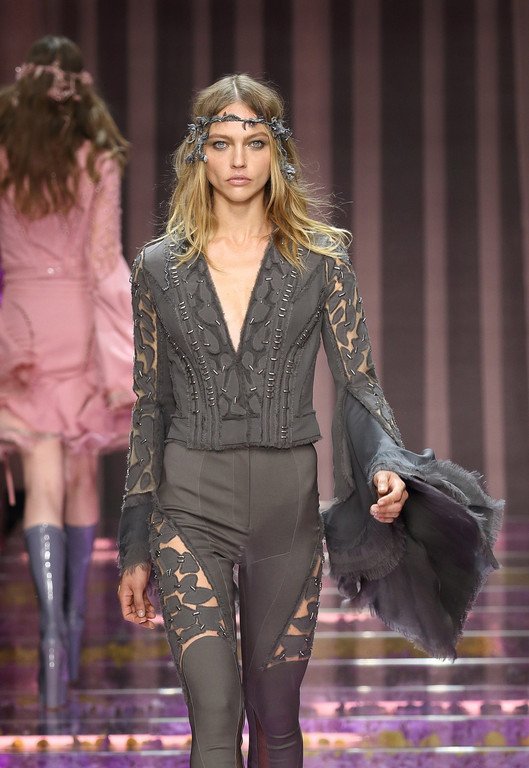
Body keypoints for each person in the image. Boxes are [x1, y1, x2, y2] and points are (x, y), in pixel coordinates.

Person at [117, 74, 502, 767]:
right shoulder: (158, 268)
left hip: (285, 512)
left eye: (255, 143)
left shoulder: (321, 259)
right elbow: (150, 405)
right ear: (198, 154)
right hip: (187, 506)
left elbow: (358, 384)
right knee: (213, 719)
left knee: (276, 716)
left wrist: (385, 464)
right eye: (221, 143)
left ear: (278, 153)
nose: (238, 159)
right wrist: (135, 544)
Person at [0, 36, 134, 709]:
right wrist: (125, 353)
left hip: (21, 321)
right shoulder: (97, 158)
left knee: (43, 474)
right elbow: (105, 260)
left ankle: (51, 634)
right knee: (80, 473)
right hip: (79, 319)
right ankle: (73, 627)